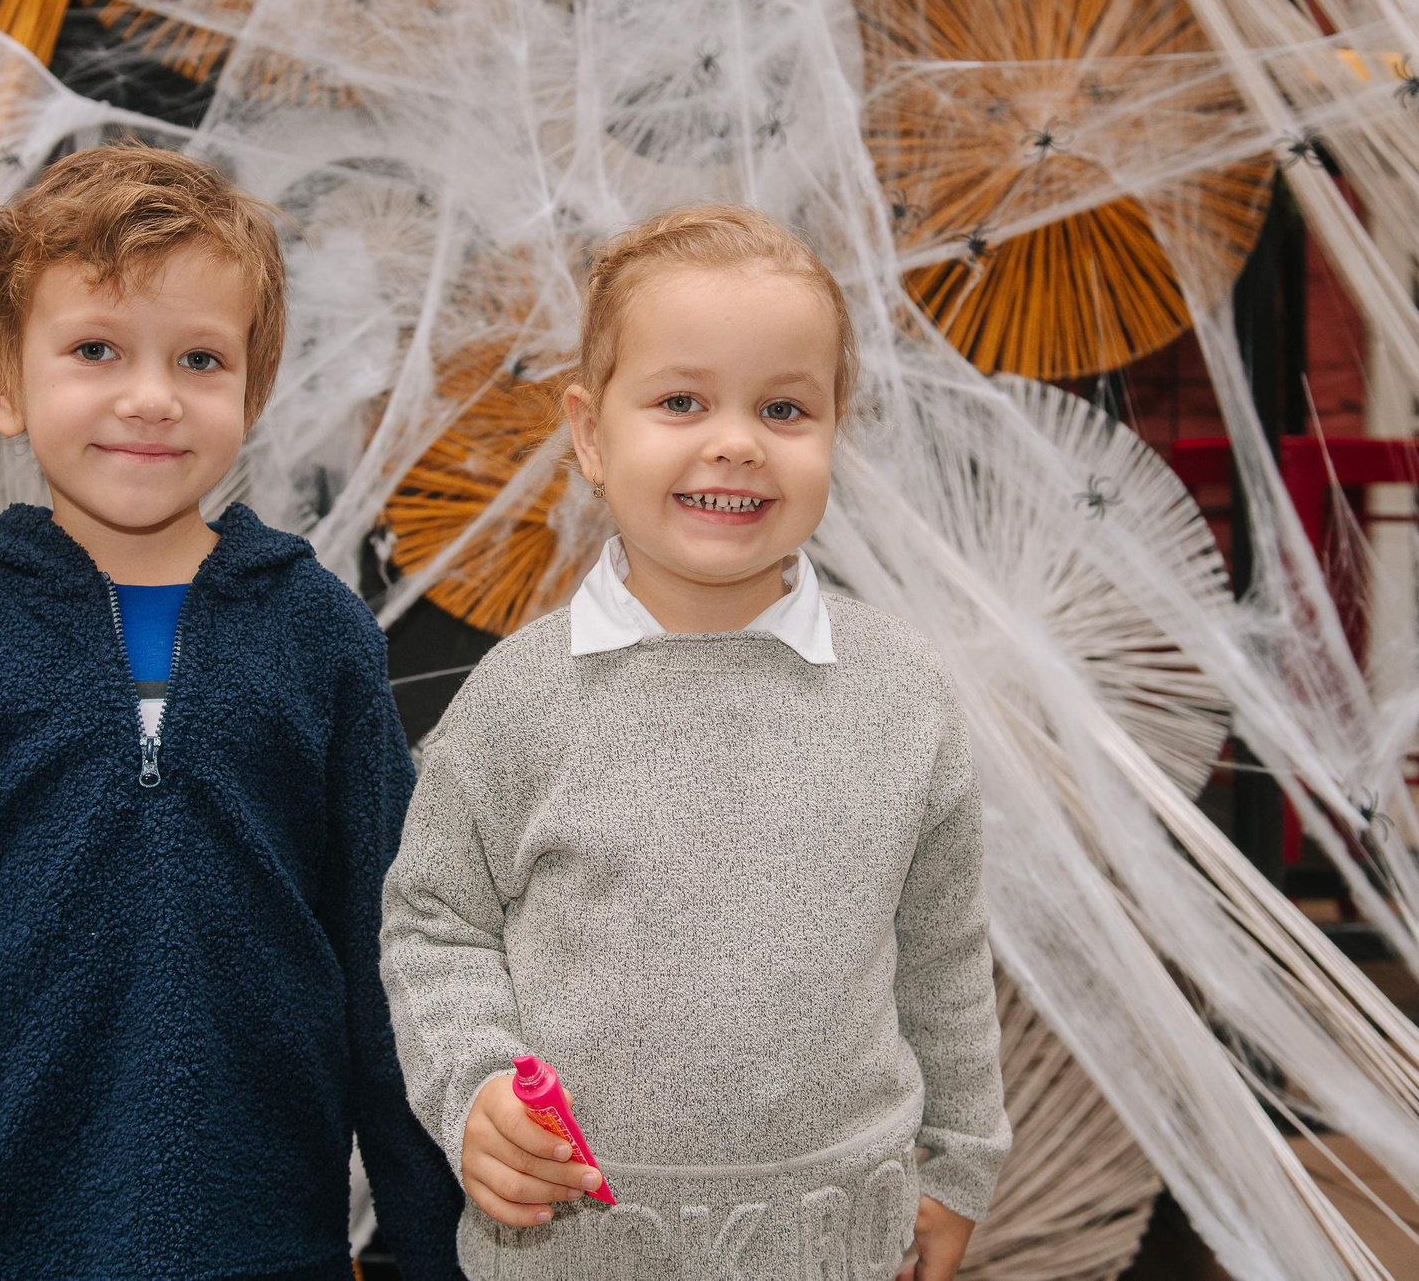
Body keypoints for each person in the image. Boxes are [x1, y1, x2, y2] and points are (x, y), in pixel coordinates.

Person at [0, 147, 462, 1281]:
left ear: (254, 386)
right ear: (0, 379)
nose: (149, 396)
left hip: (260, 1246)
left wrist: (444, 1253)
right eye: (95, 349)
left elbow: (394, 974)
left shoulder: (319, 635)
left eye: (198, 358)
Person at [379, 205, 1009, 1281]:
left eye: (783, 407)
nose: (734, 440)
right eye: (680, 401)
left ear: (832, 432)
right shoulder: (518, 701)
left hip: (835, 1245)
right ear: (589, 433)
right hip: (566, 1249)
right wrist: (478, 1083)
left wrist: (957, 1165)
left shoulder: (902, 698)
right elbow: (433, 923)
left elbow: (944, 953)